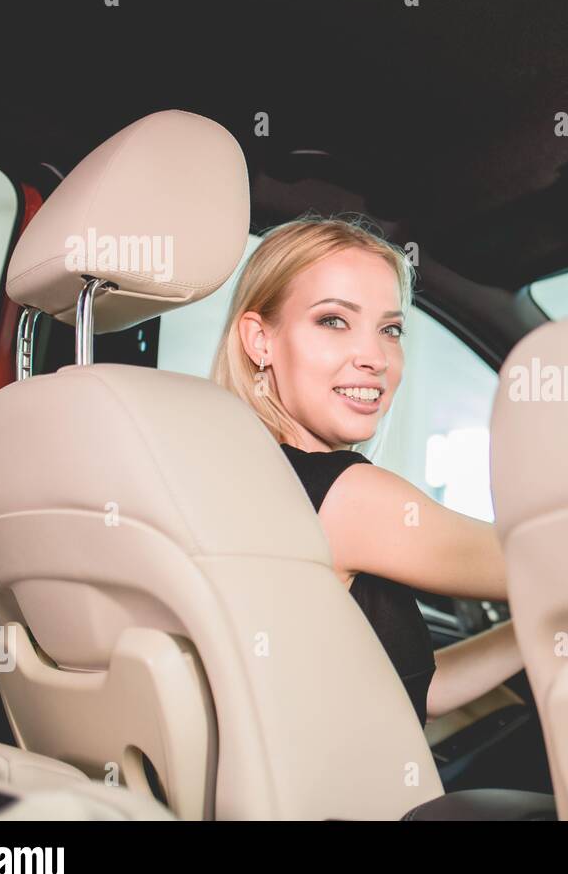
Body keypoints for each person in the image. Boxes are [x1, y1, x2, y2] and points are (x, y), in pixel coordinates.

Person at [212, 215, 523, 726]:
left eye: (390, 329)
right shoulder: (349, 495)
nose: (375, 357)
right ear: (259, 339)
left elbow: (409, 688)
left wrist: (546, 630)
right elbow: (553, 559)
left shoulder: (238, 477)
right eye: (333, 320)